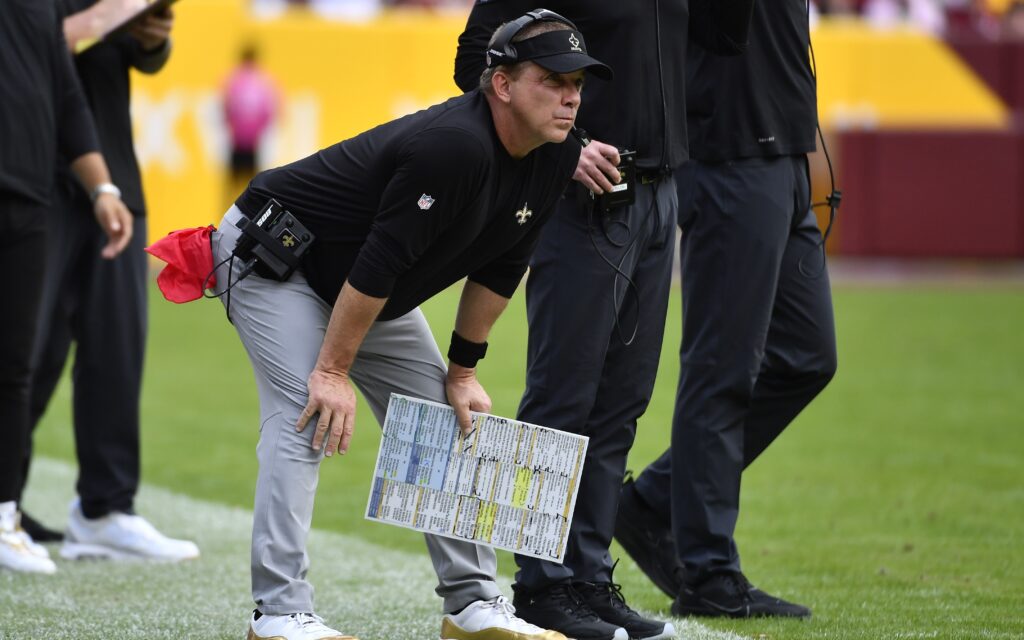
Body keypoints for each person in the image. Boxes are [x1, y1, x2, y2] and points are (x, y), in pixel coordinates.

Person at [201, 13, 610, 640]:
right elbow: (381, 261)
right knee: (302, 414)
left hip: (360, 284)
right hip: (276, 252)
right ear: (500, 84)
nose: (571, 95)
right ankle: (279, 614)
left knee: (445, 418)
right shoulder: (456, 145)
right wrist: (332, 370)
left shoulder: (557, 153)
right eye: (553, 79)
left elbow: (504, 265)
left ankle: (473, 608)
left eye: (577, 81)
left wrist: (464, 369)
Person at [455, 2, 753, 640]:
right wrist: (571, 147)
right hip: (578, 197)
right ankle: (539, 587)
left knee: (622, 400)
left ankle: (587, 579)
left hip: (660, 190)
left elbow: (723, 37)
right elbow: (474, 61)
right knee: (563, 395)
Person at [614, 0, 838, 619]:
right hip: (730, 153)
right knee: (722, 368)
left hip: (785, 154)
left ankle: (654, 500)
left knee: (807, 357)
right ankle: (709, 572)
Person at [15, 0, 199, 562]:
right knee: (29, 350)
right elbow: (37, 43)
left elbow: (145, 58)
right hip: (32, 172)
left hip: (112, 177)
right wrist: (97, 21)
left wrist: (150, 35)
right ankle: (4, 505)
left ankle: (104, 509)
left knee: (116, 348)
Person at [0, 0, 133, 574]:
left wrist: (103, 188)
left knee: (12, 366)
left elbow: (66, 95)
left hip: (28, 199)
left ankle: (3, 514)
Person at [223, 44, 279, 205]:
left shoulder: (234, 80)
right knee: (253, 186)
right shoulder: (262, 81)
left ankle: (228, 218)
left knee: (232, 185)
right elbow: (268, 112)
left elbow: (226, 108)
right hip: (253, 141)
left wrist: (234, 128)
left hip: (237, 140)